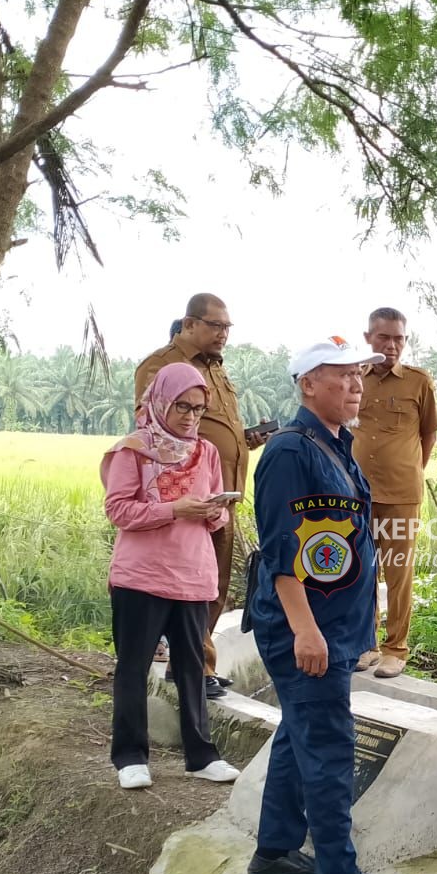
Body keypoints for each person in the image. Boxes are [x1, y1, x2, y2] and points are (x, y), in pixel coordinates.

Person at [244, 336, 419, 874]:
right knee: (329, 744)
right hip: (306, 630)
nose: (355, 385)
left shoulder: (336, 445)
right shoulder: (290, 452)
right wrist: (305, 631)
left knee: (300, 735)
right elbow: (280, 552)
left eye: (359, 375)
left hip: (332, 627)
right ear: (307, 383)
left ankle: (273, 850)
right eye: (341, 375)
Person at [101, 363, 244, 790]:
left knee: (192, 668)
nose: (189, 417)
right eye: (182, 406)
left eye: (198, 409)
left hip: (192, 575)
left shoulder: (207, 453)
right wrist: (174, 509)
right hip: (141, 577)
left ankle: (201, 755)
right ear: (161, 400)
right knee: (133, 666)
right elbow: (118, 510)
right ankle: (129, 756)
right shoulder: (134, 450)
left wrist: (214, 509)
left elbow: (216, 518)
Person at [136, 295, 271, 699]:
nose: (223, 334)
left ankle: (195, 665)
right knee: (183, 588)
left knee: (212, 586)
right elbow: (152, 430)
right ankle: (190, 667)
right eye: (216, 326)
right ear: (190, 324)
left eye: (228, 327)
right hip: (183, 502)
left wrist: (247, 442)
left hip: (220, 499)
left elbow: (212, 433)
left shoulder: (217, 371)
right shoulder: (162, 365)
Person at [351, 307, 437, 680]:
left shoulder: (419, 382)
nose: (391, 346)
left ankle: (395, 648)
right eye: (384, 337)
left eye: (398, 339)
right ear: (369, 337)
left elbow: (429, 433)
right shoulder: (354, 376)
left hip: (401, 494)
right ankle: (367, 643)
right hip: (355, 492)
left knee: (398, 572)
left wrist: (410, 469)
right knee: (358, 569)